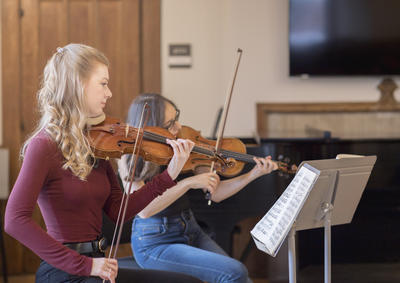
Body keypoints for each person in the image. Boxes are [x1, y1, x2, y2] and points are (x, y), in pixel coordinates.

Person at [4, 44, 203, 283]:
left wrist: (169, 174)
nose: (109, 93)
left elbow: (119, 210)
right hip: (65, 272)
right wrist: (84, 265)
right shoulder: (43, 145)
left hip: (99, 265)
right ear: (78, 84)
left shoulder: (96, 142)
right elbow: (15, 221)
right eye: (103, 83)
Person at [118, 93, 279, 283]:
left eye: (176, 118)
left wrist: (253, 175)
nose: (179, 127)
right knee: (235, 272)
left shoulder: (184, 145)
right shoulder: (128, 157)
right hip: (155, 242)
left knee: (240, 279)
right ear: (152, 127)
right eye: (170, 124)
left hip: (191, 229)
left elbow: (216, 193)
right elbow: (144, 210)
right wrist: (189, 183)